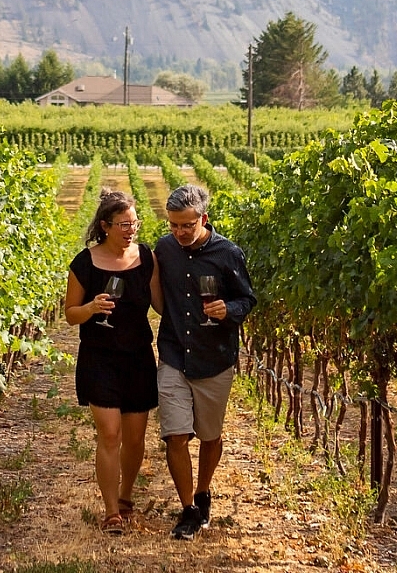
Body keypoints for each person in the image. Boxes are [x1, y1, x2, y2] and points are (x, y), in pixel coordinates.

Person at [150, 184, 256, 540]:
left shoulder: (228, 253)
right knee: (175, 436)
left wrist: (229, 310)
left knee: (210, 436)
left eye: (187, 225)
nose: (179, 232)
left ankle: (203, 490)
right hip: (174, 355)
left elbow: (247, 299)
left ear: (203, 219)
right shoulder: (164, 249)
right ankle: (188, 510)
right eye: (173, 225)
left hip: (215, 358)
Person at [63, 190, 159, 533]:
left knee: (135, 439)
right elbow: (70, 314)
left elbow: (160, 304)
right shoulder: (84, 263)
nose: (131, 229)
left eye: (134, 223)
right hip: (99, 359)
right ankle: (110, 512)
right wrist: (90, 309)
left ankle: (126, 496)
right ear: (105, 226)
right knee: (110, 435)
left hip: (138, 358)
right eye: (124, 224)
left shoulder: (146, 258)